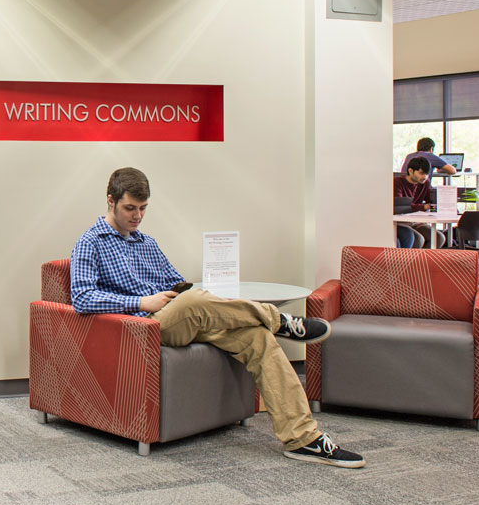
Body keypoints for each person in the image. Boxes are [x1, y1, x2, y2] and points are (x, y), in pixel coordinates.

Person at [70, 167, 365, 468]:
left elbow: (176, 280)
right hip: (143, 327)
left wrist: (180, 293)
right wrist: (142, 301)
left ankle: (303, 439)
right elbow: (81, 297)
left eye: (143, 208)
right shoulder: (90, 242)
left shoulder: (147, 243)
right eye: (130, 208)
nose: (138, 216)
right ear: (111, 200)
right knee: (197, 300)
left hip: (180, 316)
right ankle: (280, 321)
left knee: (257, 337)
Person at [394, 156, 436, 248]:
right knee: (418, 239)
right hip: (400, 221)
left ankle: (424, 261)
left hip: (416, 221)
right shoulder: (397, 183)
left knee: (438, 237)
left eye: (427, 174)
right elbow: (400, 207)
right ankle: (410, 261)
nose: (424, 177)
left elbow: (432, 201)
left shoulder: (425, 183)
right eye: (421, 173)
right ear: (411, 171)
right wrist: (424, 207)